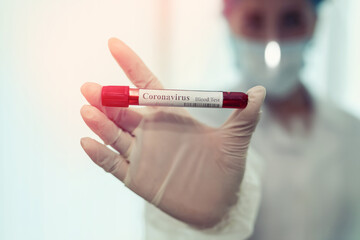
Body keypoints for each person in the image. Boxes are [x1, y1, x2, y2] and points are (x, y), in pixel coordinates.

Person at [80, 0, 360, 239]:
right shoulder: (185, 126)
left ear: (316, 22)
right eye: (254, 20)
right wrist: (208, 224)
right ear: (228, 19)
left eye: (291, 19)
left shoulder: (352, 134)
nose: (272, 39)